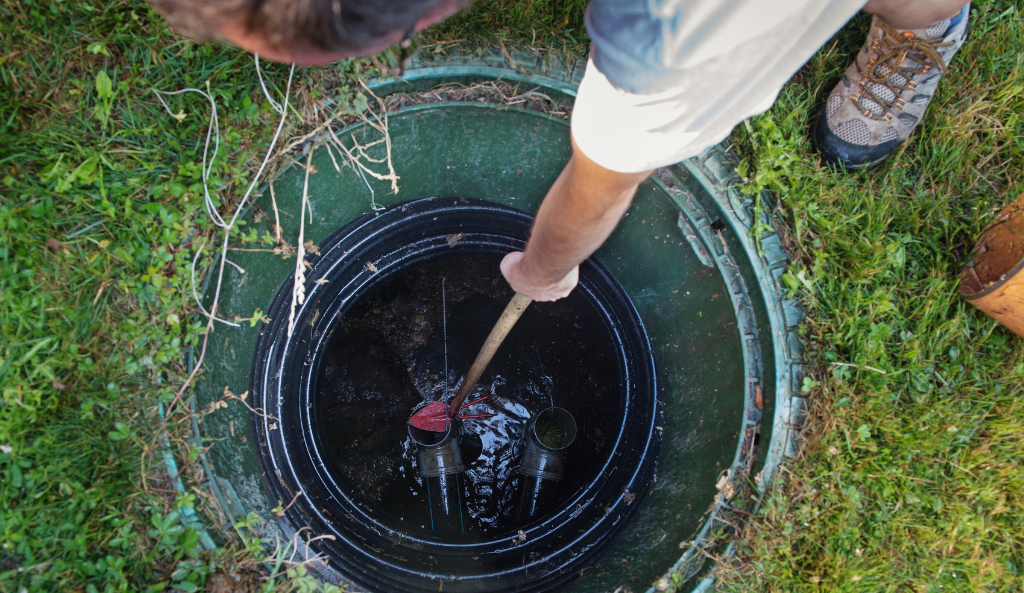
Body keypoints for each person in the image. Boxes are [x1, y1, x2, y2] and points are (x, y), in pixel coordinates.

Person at [150, 0, 972, 301]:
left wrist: (542, 271)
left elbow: (606, 181)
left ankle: (927, 21)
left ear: (424, 21)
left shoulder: (666, 30)